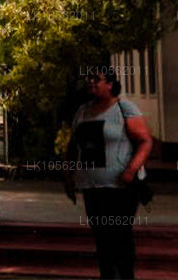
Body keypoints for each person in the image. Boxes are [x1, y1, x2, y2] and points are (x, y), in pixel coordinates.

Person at [64, 66, 154, 280]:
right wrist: (68, 176)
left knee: (119, 236)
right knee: (102, 238)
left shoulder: (124, 108)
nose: (91, 82)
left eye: (97, 78)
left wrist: (131, 170)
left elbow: (145, 141)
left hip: (120, 188)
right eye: (89, 78)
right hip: (92, 187)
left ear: (110, 84)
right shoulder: (83, 111)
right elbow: (72, 146)